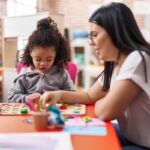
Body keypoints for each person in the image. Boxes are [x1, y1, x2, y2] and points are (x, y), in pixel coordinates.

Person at [40, 2, 150, 150]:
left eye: (94, 35)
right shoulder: (115, 65)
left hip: (144, 145)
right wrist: (58, 95)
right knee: (79, 137)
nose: (90, 42)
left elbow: (105, 112)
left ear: (114, 32)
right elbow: (90, 96)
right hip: (130, 137)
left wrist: (103, 103)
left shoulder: (138, 59)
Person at [8, 16, 75, 103]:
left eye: (49, 59)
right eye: (38, 59)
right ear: (31, 53)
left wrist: (58, 97)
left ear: (56, 55)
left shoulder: (62, 74)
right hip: (31, 114)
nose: (43, 63)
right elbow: (12, 97)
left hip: (54, 113)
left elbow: (72, 95)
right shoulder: (25, 75)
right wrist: (27, 98)